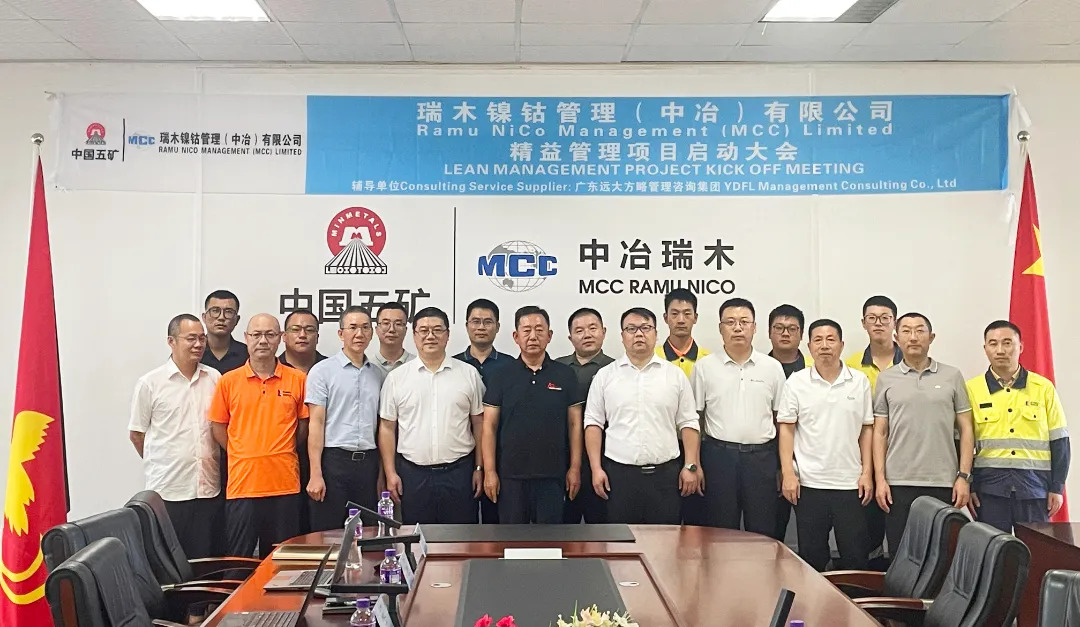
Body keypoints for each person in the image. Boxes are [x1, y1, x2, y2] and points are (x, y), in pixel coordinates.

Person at [584, 307, 701, 524]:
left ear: (656, 334)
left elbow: (689, 422)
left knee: (666, 541)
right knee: (622, 541)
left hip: (666, 478)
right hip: (619, 477)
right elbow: (593, 423)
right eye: (631, 329)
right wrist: (596, 469)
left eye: (645, 328)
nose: (639, 334)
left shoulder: (674, 375)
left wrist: (691, 466)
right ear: (622, 336)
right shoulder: (605, 376)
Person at [209, 314, 308, 558]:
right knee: (240, 560)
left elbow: (303, 425)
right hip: (243, 485)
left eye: (270, 335)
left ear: (281, 338)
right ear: (246, 338)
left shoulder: (298, 379)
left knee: (282, 562)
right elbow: (218, 427)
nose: (263, 341)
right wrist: (242, 452)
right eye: (256, 335)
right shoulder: (228, 381)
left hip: (284, 484)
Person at [873, 312, 973, 555]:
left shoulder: (952, 376)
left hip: (943, 481)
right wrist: (880, 479)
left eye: (920, 330)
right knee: (901, 553)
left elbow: (966, 429)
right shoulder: (886, 378)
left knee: (940, 554)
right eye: (906, 331)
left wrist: (964, 477)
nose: (913, 337)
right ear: (896, 337)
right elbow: (880, 432)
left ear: (931, 337)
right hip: (897, 483)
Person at [778, 319, 874, 572]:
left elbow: (867, 429)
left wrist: (867, 473)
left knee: (855, 556)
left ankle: (854, 599)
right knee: (811, 558)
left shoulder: (859, 381)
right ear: (809, 346)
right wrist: (788, 473)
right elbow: (786, 429)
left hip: (850, 483)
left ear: (841, 345)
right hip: (809, 484)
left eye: (831, 339)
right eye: (818, 340)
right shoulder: (796, 382)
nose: (824, 345)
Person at [379, 307, 485, 524]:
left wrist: (479, 468)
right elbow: (387, 428)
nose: (430, 336)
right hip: (413, 475)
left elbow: (479, 424)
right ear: (414, 335)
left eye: (437, 330)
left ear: (447, 335)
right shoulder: (397, 378)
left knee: (462, 538)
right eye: (424, 330)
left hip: (459, 473)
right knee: (417, 539)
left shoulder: (468, 374)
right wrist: (390, 473)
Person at [128, 314, 221, 559]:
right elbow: (137, 434)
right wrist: (164, 460)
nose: (198, 344)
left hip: (207, 488)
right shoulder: (151, 383)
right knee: (170, 563)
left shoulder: (214, 378)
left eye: (202, 338)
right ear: (171, 341)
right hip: (168, 490)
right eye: (191, 338)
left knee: (205, 560)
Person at [691, 298, 786, 534]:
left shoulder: (772, 367)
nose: (737, 328)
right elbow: (695, 419)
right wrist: (695, 463)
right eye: (730, 322)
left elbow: (781, 419)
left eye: (744, 322)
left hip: (762, 459)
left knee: (763, 531)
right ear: (720, 328)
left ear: (754, 328)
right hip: (718, 458)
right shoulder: (704, 367)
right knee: (720, 532)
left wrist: (782, 466)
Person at [967, 320, 1070, 532]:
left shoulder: (1043, 388)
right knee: (991, 549)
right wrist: (969, 484)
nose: (1000, 350)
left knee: (1035, 549)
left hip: (1034, 488)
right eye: (993, 343)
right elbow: (962, 443)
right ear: (985, 348)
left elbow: (1060, 441)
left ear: (1020, 347)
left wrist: (1057, 487)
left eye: (1007, 343)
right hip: (989, 490)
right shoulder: (971, 389)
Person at [482, 306, 583, 524]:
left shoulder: (565, 374)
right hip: (510, 477)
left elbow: (575, 425)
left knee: (550, 540)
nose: (533, 336)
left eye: (539, 330)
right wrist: (489, 472)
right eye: (526, 330)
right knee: (512, 540)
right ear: (516, 337)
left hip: (553, 476)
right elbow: (489, 426)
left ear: (550, 335)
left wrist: (575, 468)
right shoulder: (501, 375)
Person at [305, 306, 383, 532]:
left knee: (367, 533)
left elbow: (381, 427)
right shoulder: (322, 371)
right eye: (353, 328)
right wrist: (315, 473)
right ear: (341, 333)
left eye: (365, 328)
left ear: (371, 333)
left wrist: (380, 474)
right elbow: (316, 424)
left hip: (368, 464)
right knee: (329, 533)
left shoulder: (377, 374)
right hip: (334, 462)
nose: (359, 334)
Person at [845, 295, 901, 564]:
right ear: (863, 323)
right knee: (867, 531)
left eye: (885, 318)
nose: (878, 323)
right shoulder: (850, 365)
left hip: (902, 457)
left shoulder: (910, 361)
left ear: (894, 323)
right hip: (863, 458)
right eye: (872, 318)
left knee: (903, 531)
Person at [454, 298, 512, 523]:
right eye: (475, 321)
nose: (481, 327)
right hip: (461, 456)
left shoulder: (511, 366)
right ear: (466, 325)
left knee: (496, 521)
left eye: (488, 322)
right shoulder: (453, 365)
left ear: (497, 327)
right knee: (462, 522)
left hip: (501, 456)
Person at [657, 288, 710, 526]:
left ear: (695, 318)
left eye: (687, 314)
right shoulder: (652, 359)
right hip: (662, 452)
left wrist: (695, 461)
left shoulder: (709, 361)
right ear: (665, 317)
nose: (681, 319)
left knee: (697, 523)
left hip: (701, 450)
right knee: (663, 523)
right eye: (675, 313)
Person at [556, 307, 615, 524]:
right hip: (562, 461)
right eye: (579, 331)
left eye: (593, 328)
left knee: (601, 527)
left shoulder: (616, 369)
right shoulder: (556, 368)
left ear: (604, 331)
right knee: (561, 528)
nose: (587, 335)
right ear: (570, 337)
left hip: (604, 461)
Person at [767, 304, 812, 542]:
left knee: (811, 535)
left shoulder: (815, 370)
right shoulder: (758, 368)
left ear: (801, 334)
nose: (785, 333)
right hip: (767, 461)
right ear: (769, 332)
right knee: (771, 532)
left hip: (810, 464)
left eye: (792, 329)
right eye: (779, 328)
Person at [201, 290, 247, 374]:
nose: (221, 317)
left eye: (228, 312)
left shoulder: (248, 354)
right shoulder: (194, 352)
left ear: (237, 320)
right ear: (204, 317)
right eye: (215, 311)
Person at [370, 302, 416, 378]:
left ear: (405, 330)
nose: (392, 329)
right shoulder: (368, 366)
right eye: (386, 323)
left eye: (398, 324)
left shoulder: (416, 365)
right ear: (377, 329)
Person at [279, 309, 327, 374]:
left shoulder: (331, 367)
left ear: (317, 337)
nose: (302, 335)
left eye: (309, 330)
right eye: (295, 329)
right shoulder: (272, 368)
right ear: (284, 336)